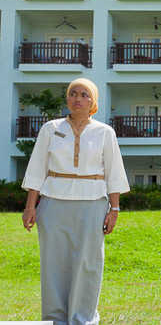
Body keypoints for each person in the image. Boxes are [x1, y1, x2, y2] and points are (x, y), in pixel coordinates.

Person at [21, 78, 129, 325]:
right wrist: (30, 206)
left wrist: (114, 209)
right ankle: (54, 319)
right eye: (73, 93)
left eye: (84, 95)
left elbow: (114, 173)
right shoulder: (50, 128)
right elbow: (37, 169)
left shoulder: (104, 132)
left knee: (88, 264)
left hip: (93, 204)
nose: (78, 98)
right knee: (53, 265)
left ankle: (83, 319)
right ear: (67, 99)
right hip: (53, 204)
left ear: (93, 102)